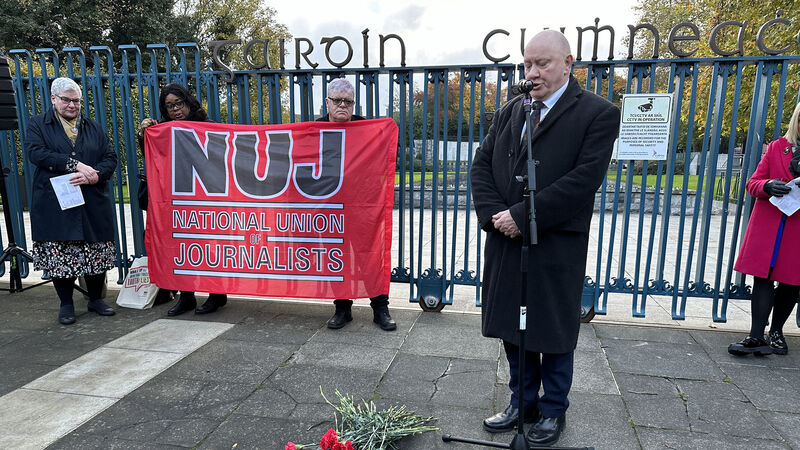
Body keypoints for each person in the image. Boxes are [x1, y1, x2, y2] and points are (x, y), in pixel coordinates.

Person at [470, 30, 619, 446]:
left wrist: (524, 215)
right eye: (527, 64)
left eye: (543, 64)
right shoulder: (511, 110)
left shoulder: (597, 113)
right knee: (511, 326)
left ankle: (553, 408)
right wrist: (496, 218)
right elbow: (482, 165)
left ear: (569, 62)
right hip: (505, 239)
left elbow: (583, 180)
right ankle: (523, 401)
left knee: (551, 329)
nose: (532, 73)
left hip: (555, 242)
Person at [24, 77, 118, 325]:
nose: (72, 105)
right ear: (54, 99)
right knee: (61, 254)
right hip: (56, 202)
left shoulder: (93, 126)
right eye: (66, 100)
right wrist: (73, 164)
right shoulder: (38, 125)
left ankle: (96, 299)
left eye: (76, 100)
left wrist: (95, 175)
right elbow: (36, 152)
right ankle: (66, 304)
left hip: (91, 199)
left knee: (95, 252)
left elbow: (110, 156)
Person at [139, 83, 228, 316]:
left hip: (204, 197)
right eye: (169, 106)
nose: (175, 109)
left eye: (179, 104)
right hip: (176, 198)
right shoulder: (163, 128)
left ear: (188, 102)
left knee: (208, 248)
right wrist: (145, 135)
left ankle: (216, 295)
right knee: (180, 248)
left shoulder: (205, 125)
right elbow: (153, 157)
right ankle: (186, 297)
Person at [315, 78, 396, 332]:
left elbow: (392, 150)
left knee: (370, 257)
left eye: (348, 101)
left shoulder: (368, 127)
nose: (342, 105)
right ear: (326, 102)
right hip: (330, 208)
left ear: (353, 104)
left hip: (363, 206)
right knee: (337, 259)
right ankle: (342, 309)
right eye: (337, 100)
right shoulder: (312, 129)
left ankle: (380, 308)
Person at [728, 101, 800, 357]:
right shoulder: (777, 148)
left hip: (797, 229)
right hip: (770, 225)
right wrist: (767, 185)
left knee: (792, 282)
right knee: (763, 278)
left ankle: (777, 332)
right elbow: (752, 183)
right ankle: (756, 334)